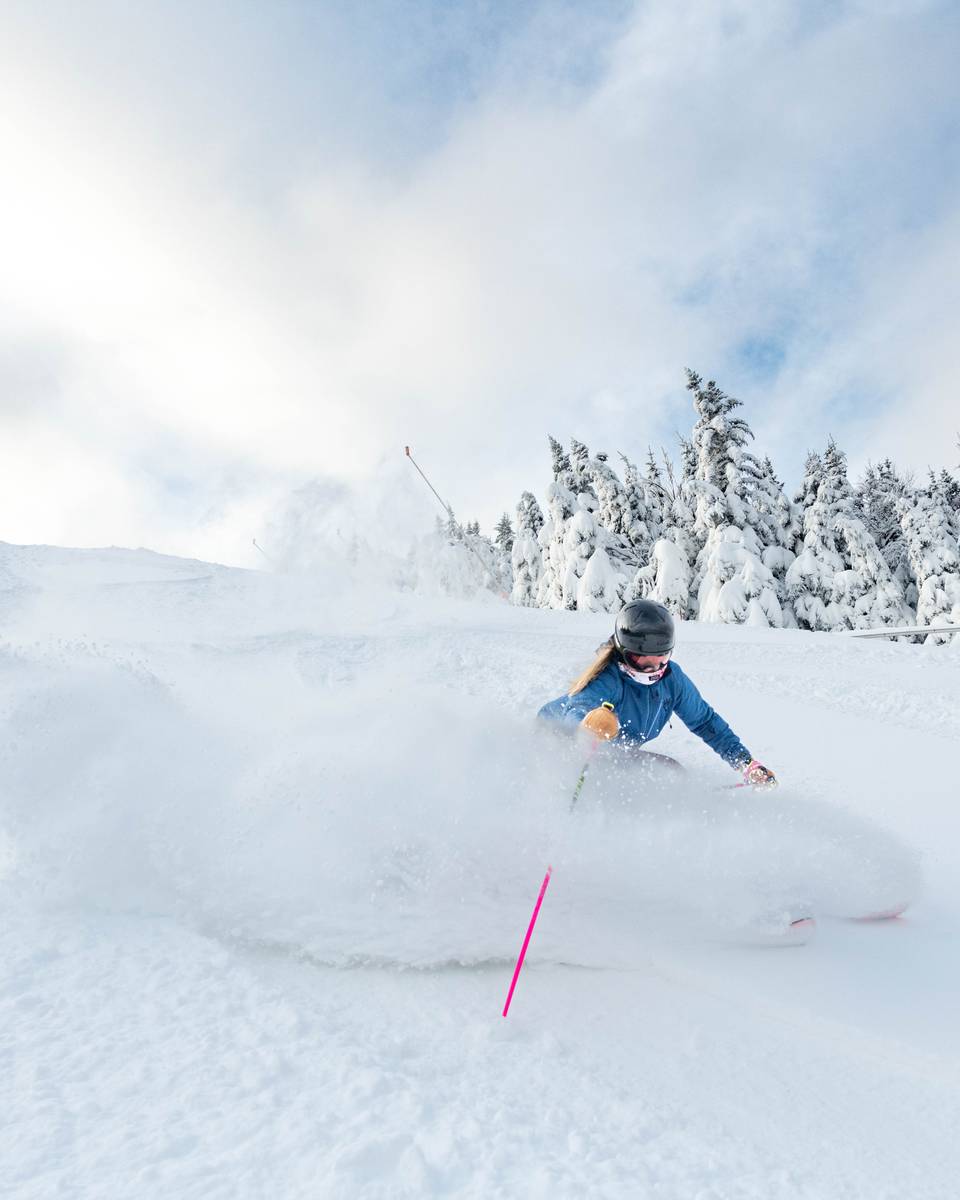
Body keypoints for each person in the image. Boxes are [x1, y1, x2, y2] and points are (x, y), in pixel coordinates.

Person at [537, 599, 776, 785]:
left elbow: (705, 722)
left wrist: (746, 763)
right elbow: (576, 708)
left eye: (661, 658)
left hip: (611, 752)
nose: (653, 668)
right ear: (623, 652)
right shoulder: (609, 677)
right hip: (558, 739)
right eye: (642, 660)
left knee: (670, 773)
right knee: (605, 780)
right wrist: (588, 724)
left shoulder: (672, 680)